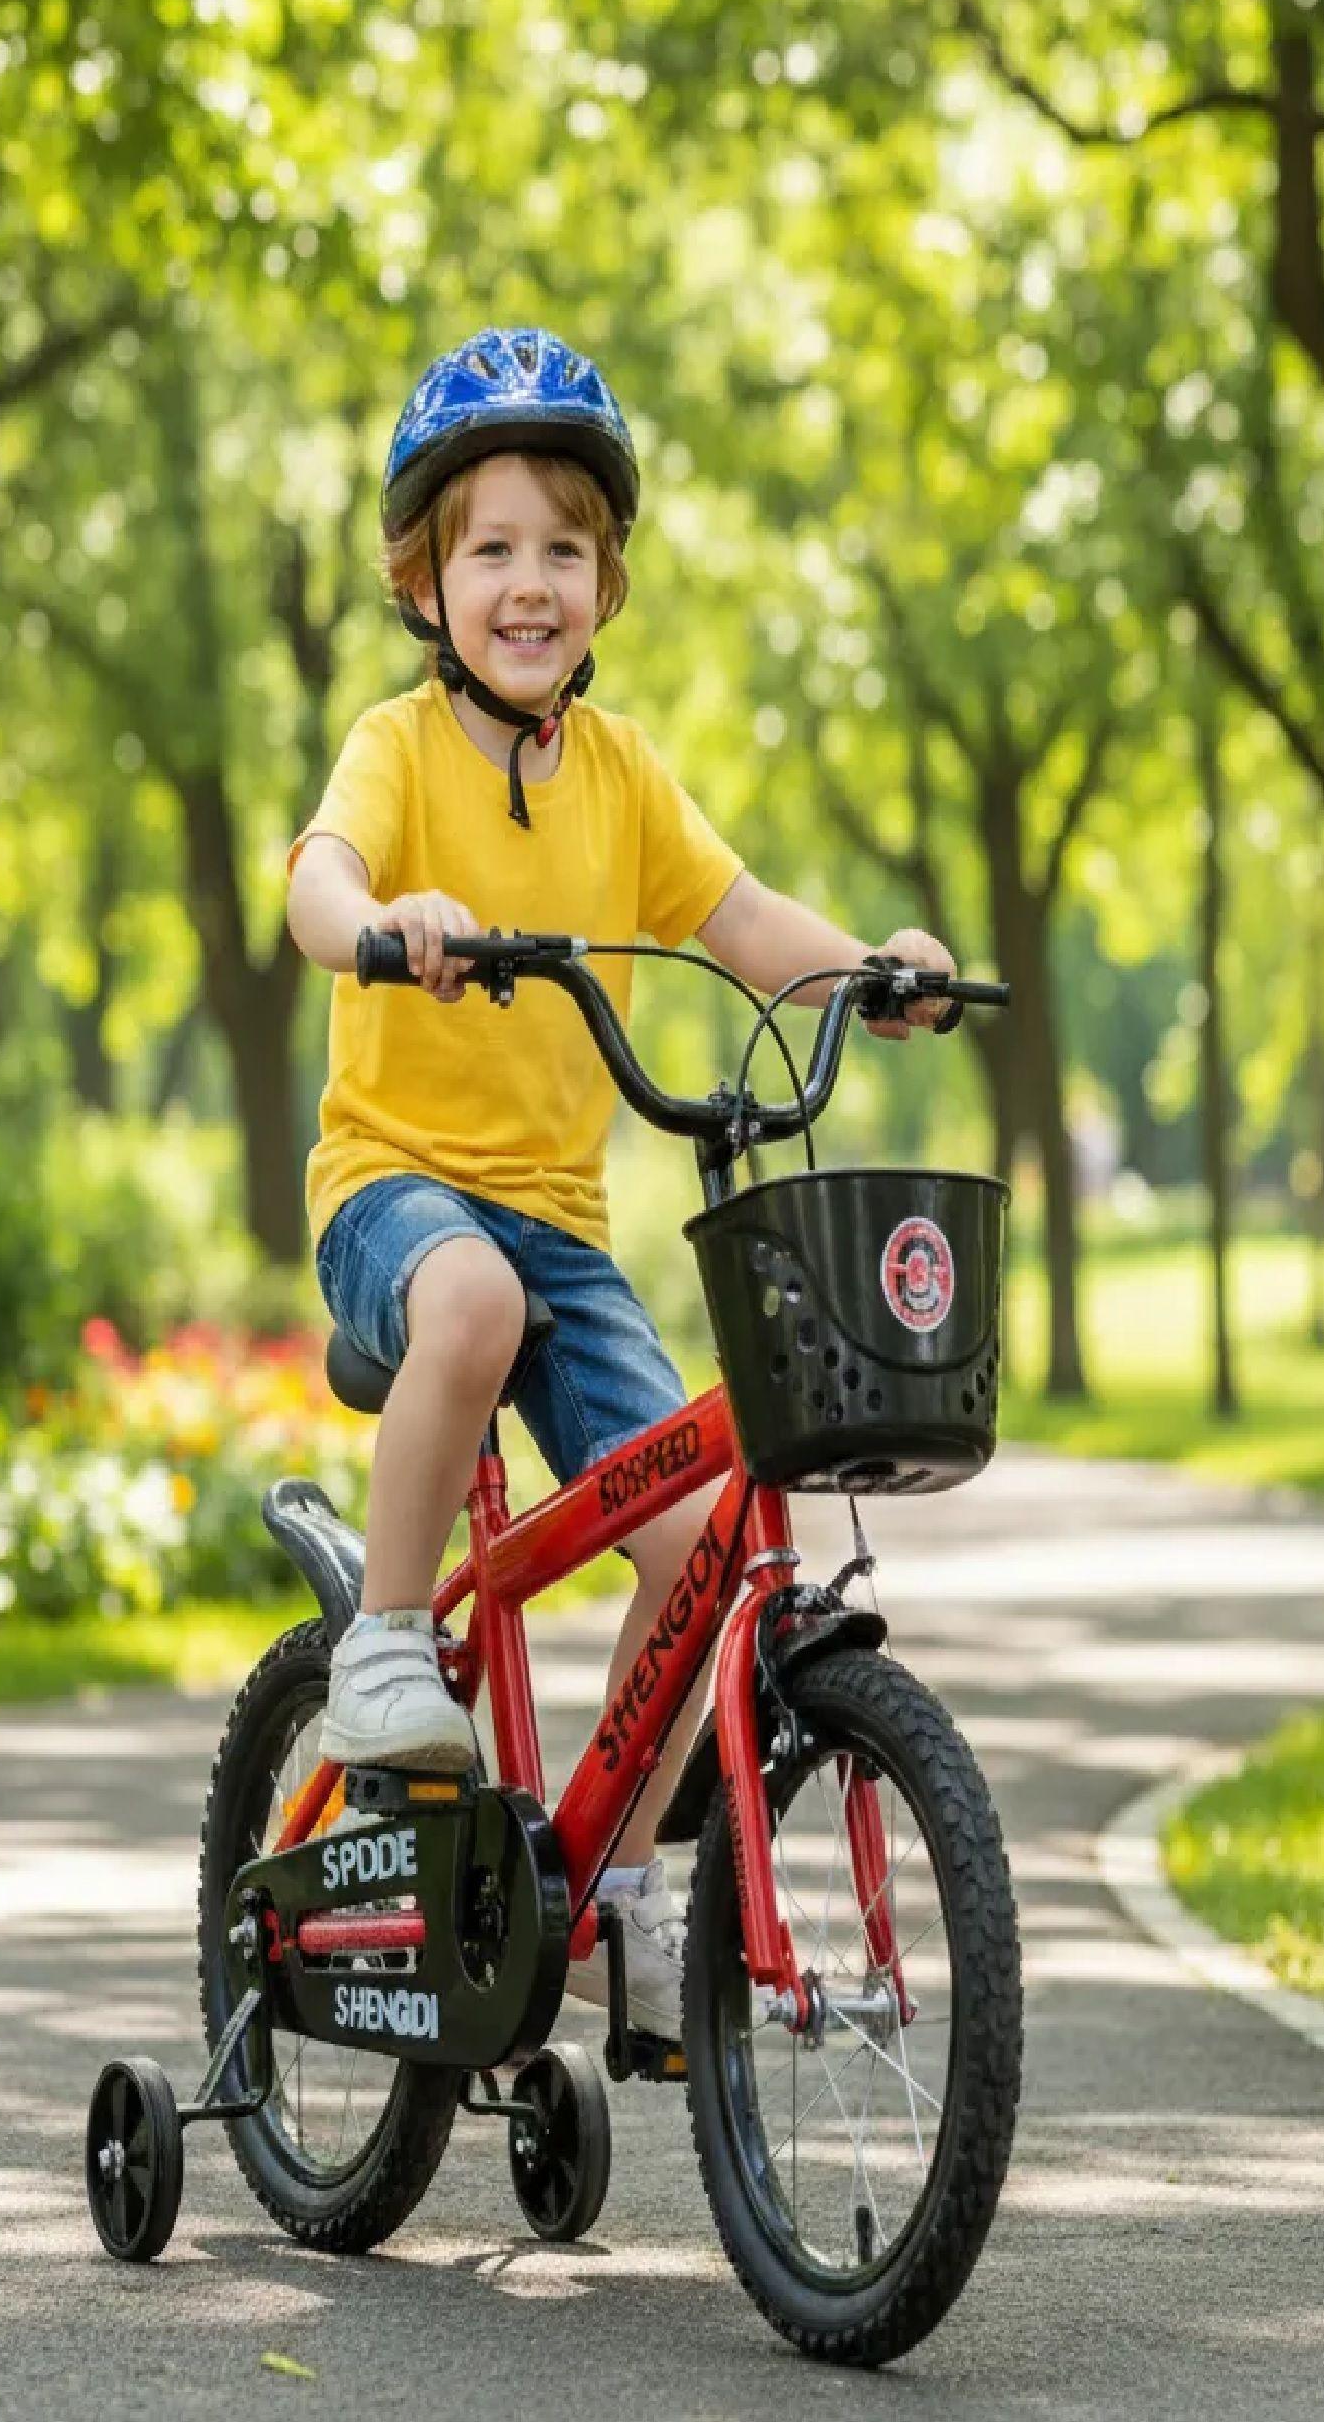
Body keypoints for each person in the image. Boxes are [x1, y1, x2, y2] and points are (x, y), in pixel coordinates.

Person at [283, 325, 955, 2036]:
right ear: (423, 582)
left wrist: (869, 968)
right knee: (475, 1293)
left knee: (700, 1545)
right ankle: (378, 1647)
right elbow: (317, 877)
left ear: (608, 580)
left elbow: (739, 925)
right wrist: (383, 923)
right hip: (398, 1199)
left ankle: (637, 1876)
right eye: (489, 548)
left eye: (561, 550)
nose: (528, 582)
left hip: (567, 1234)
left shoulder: (624, 771)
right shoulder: (400, 746)